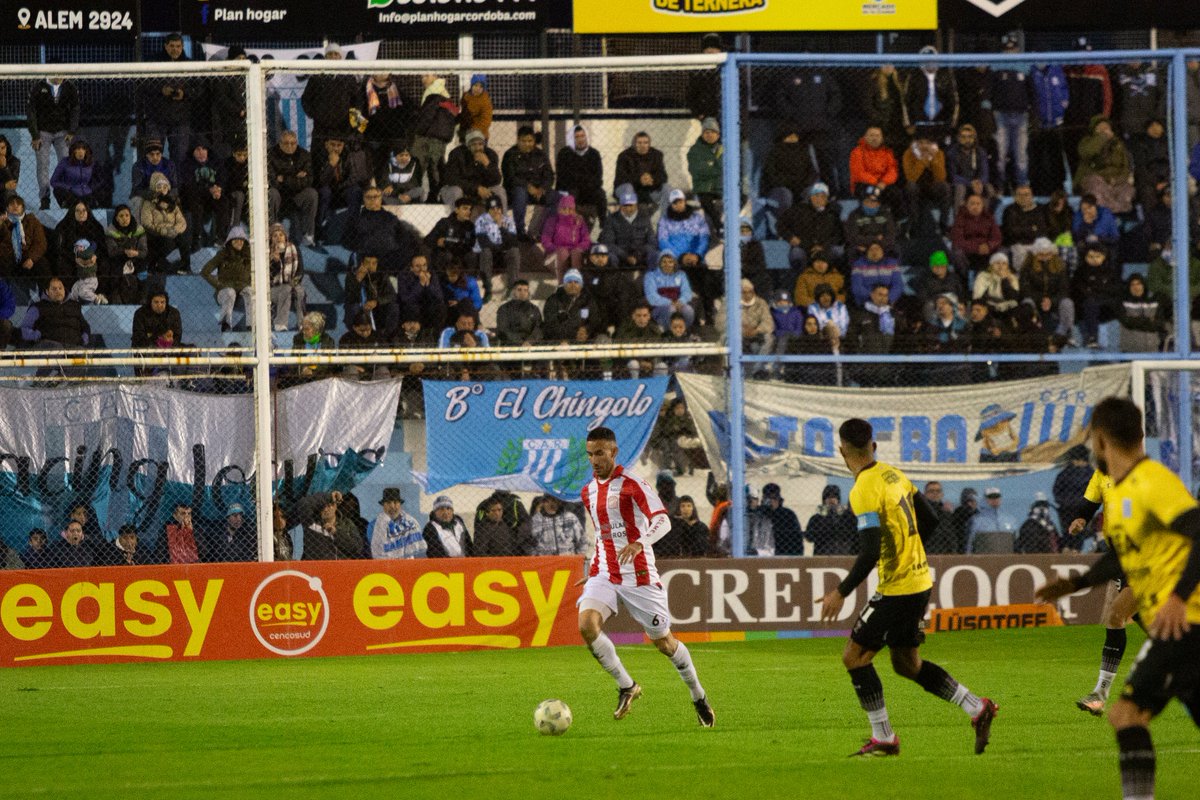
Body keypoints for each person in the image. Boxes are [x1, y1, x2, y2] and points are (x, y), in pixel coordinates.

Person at [1035, 397, 1200, 800]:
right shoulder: (1121, 493)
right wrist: (1075, 584)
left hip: (1187, 621)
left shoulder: (1152, 483)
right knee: (1129, 716)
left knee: (1126, 715)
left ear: (1100, 439)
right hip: (1177, 623)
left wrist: (1178, 598)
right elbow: (1123, 557)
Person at [820, 418, 997, 757]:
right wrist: (909, 552)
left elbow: (870, 550)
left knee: (854, 657)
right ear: (873, 446)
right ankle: (977, 707)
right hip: (920, 580)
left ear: (841, 451)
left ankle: (884, 738)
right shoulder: (893, 474)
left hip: (898, 587)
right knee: (906, 663)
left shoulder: (862, 490)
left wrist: (839, 592)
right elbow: (929, 519)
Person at [578, 426, 715, 727]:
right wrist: (593, 568)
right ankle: (627, 686)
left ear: (613, 452)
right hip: (605, 571)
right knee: (587, 624)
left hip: (638, 574)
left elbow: (663, 520)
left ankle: (698, 695)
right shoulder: (587, 492)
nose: (594, 460)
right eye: (589, 454)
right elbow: (602, 535)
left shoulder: (633, 484)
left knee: (665, 644)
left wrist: (640, 542)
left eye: (600, 453)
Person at [1062, 465, 1139, 717]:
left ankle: (1100, 694)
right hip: (1118, 555)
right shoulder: (1102, 473)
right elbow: (1089, 504)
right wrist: (1080, 519)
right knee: (1124, 620)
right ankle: (1100, 695)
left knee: (1117, 615)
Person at [27, 74, 79, 210]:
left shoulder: (69, 87)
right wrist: (35, 134)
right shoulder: (39, 87)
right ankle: (45, 199)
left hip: (63, 132)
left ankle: (66, 198)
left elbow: (75, 109)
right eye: (55, 73)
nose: (58, 77)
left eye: (61, 74)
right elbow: (31, 111)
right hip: (43, 132)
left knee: (66, 165)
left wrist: (72, 131)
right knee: (43, 166)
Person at [410, 74, 459, 198]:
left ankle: (421, 196)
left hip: (429, 136)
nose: (423, 79)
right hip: (440, 137)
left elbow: (427, 116)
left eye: (426, 76)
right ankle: (436, 195)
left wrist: (418, 131)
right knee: (436, 166)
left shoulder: (432, 93)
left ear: (435, 76)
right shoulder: (446, 94)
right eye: (422, 76)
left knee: (424, 167)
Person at [502, 125, 555, 240]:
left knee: (555, 197)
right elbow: (510, 178)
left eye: (530, 141)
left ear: (534, 141)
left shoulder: (540, 154)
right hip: (516, 190)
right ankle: (520, 230)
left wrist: (542, 188)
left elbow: (549, 175)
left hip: (537, 190)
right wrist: (528, 187)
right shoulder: (510, 155)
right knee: (520, 194)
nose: (527, 144)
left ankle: (538, 231)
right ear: (518, 140)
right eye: (523, 141)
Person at [267, 131, 319, 246]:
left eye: (293, 143)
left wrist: (284, 179)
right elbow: (272, 181)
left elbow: (308, 181)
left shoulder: (304, 155)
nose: (290, 146)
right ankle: (271, 232)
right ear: (279, 143)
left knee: (312, 193)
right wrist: (296, 177)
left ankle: (309, 234)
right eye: (286, 143)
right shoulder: (271, 155)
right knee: (272, 193)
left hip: (297, 197)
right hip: (279, 196)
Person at [201, 226, 252, 332]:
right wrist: (219, 285)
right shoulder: (223, 254)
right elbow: (205, 271)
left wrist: (250, 284)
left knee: (251, 292)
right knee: (230, 292)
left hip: (243, 289)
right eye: (236, 240)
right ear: (230, 241)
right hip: (225, 290)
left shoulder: (249, 256)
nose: (239, 242)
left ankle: (251, 325)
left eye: (242, 240)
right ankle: (226, 324)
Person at [140, 172, 190, 275]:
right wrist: (162, 230)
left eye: (165, 186)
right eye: (159, 187)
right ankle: (156, 264)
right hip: (157, 233)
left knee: (183, 240)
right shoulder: (148, 204)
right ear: (154, 188)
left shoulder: (173, 204)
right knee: (167, 242)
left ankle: (186, 266)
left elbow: (182, 221)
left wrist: (175, 229)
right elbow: (146, 222)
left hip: (172, 231)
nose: (162, 189)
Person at [19, 277, 90, 348]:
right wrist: (38, 336)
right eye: (54, 289)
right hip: (49, 346)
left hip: (74, 344)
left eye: (60, 288)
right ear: (47, 291)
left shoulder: (74, 306)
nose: (58, 291)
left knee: (82, 353)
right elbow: (24, 329)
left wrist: (83, 339)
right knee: (56, 348)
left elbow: (85, 327)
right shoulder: (37, 307)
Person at [555, 125, 605, 225]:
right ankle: (567, 227)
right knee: (571, 195)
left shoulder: (594, 154)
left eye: (582, 136)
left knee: (601, 195)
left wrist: (584, 182)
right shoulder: (564, 153)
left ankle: (603, 226)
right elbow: (563, 177)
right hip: (570, 189)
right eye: (577, 137)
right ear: (571, 139)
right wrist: (581, 180)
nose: (580, 139)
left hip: (588, 189)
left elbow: (598, 177)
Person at [0, 194, 51, 283]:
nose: (15, 206)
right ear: (7, 209)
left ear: (23, 207)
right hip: (8, 258)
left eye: (18, 204)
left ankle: (46, 293)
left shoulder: (32, 221)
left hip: (27, 256)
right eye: (12, 204)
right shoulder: (2, 222)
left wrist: (31, 258)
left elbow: (40, 243)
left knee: (42, 264)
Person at [613, 131, 668, 211]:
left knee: (667, 188)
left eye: (645, 143)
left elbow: (663, 176)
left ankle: (668, 221)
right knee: (628, 188)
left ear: (649, 144)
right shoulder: (624, 156)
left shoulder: (657, 155)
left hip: (649, 190)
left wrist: (652, 179)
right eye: (639, 143)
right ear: (634, 144)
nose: (642, 145)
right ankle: (629, 221)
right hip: (628, 189)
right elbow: (621, 177)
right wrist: (639, 180)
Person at [301, 492, 362, 561]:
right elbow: (302, 504)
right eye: (323, 506)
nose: (326, 509)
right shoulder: (312, 523)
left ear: (336, 506)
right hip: (318, 567)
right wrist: (328, 496)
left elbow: (357, 548)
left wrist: (336, 533)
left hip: (342, 567)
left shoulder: (347, 524)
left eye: (330, 505)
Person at [369, 487, 425, 559]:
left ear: (400, 504)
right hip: (385, 564)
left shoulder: (411, 521)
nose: (392, 506)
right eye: (388, 503)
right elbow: (377, 549)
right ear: (383, 505)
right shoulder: (374, 525)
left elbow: (418, 548)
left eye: (395, 502)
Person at [268, 224, 306, 332]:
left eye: (281, 234)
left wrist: (292, 283)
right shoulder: (267, 253)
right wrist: (274, 261)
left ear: (285, 236)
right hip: (273, 289)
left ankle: (302, 324)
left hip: (292, 284)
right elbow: (269, 278)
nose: (278, 237)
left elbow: (300, 272)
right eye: (275, 235)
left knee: (300, 291)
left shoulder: (294, 249)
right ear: (271, 238)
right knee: (285, 289)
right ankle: (280, 324)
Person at [805, 484, 858, 555]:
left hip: (843, 553)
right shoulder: (817, 518)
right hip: (822, 553)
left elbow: (852, 534)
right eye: (828, 497)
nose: (831, 500)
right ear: (824, 500)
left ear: (838, 499)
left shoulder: (847, 517)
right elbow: (809, 537)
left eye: (834, 497)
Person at [49, 139, 98, 210]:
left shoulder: (91, 163)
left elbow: (97, 179)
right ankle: (65, 206)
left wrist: (91, 188)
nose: (80, 151)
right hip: (70, 193)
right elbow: (53, 181)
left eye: (83, 149)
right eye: (78, 149)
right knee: (58, 190)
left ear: (86, 151)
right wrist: (68, 188)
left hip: (87, 193)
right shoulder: (65, 162)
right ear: (74, 151)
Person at [966, 487, 1019, 553]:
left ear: (1000, 498)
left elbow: (1017, 543)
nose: (995, 500)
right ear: (985, 500)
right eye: (991, 497)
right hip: (984, 560)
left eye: (997, 497)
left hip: (1007, 560)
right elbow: (970, 544)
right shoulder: (976, 520)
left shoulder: (1010, 519)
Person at [761, 483, 802, 557]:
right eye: (768, 499)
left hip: (785, 553)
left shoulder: (788, 515)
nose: (771, 501)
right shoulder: (760, 515)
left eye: (774, 498)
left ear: (778, 499)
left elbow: (797, 539)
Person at [459, 74, 493, 141]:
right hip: (465, 133)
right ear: (472, 86)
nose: (478, 88)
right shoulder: (466, 97)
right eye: (476, 85)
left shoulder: (485, 101)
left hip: (479, 135)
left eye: (481, 87)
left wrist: (473, 130)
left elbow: (486, 120)